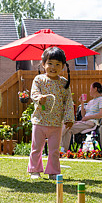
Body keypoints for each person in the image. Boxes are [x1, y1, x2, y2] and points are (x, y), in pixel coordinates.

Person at [28, 47, 75, 180]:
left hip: (56, 123)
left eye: (57, 64)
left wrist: (69, 118)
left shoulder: (64, 83)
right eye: (50, 63)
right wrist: (39, 98)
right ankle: (34, 170)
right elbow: (34, 93)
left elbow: (68, 102)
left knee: (54, 150)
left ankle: (53, 171)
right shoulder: (39, 79)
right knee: (36, 148)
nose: (53, 67)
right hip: (40, 121)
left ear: (63, 66)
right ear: (43, 64)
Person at [61, 82, 102, 151]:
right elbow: (83, 115)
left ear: (95, 89)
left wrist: (88, 117)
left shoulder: (101, 100)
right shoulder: (90, 102)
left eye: (90, 89)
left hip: (91, 123)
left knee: (68, 126)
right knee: (68, 127)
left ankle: (54, 140)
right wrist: (82, 103)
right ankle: (63, 150)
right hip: (84, 122)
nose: (89, 91)